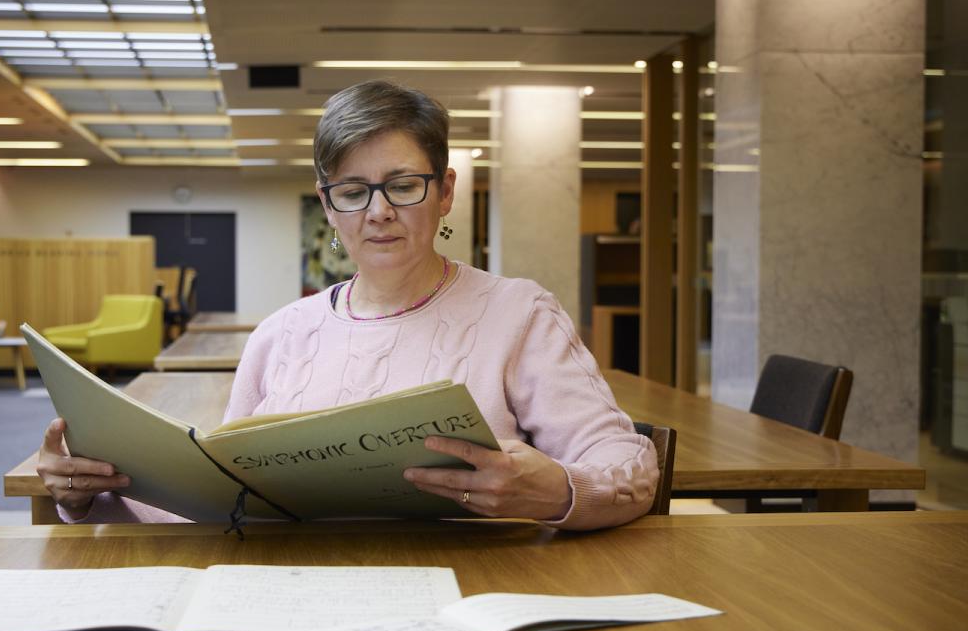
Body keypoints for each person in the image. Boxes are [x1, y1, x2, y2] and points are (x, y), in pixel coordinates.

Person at [38, 79, 659, 530]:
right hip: (294, 598)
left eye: (403, 185)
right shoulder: (282, 334)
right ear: (328, 205)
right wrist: (89, 493)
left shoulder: (518, 315)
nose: (379, 211)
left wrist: (559, 491)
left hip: (468, 597)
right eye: (354, 191)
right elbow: (220, 497)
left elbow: (628, 464)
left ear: (444, 192)